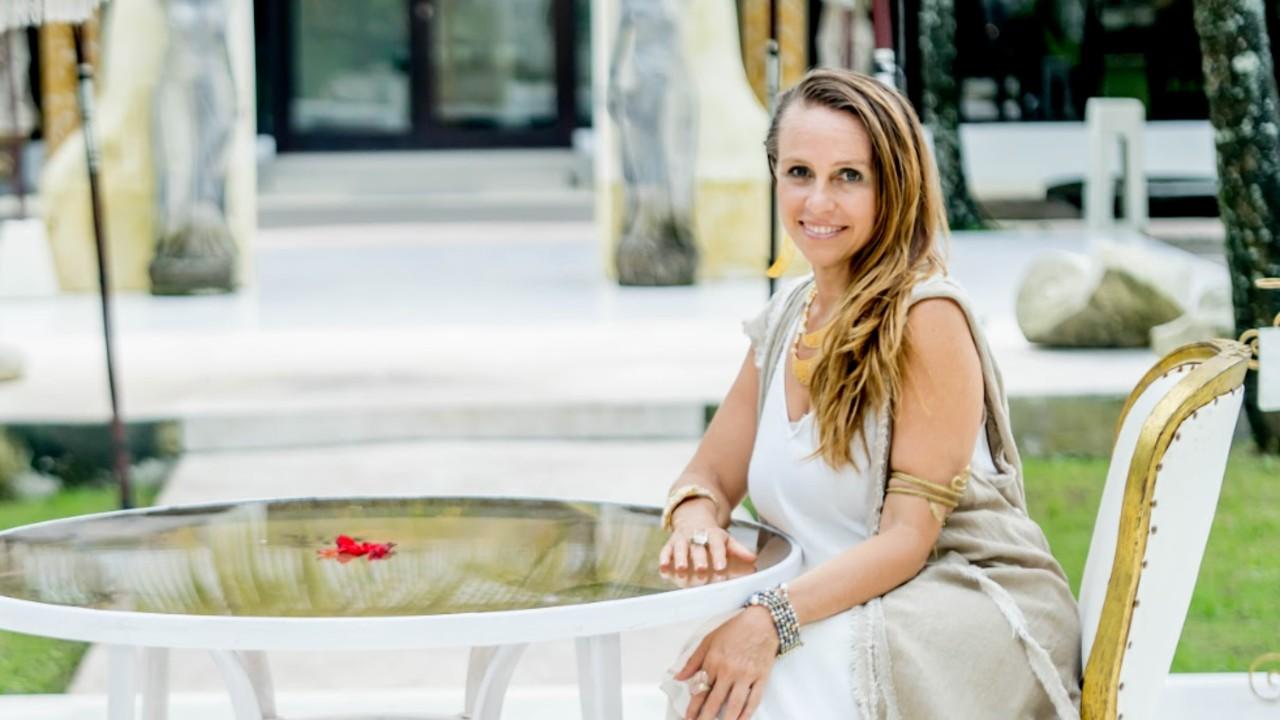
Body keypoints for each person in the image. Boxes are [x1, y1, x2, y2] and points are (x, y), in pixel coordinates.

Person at [657, 68, 1082, 720]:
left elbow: (908, 539)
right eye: (799, 173)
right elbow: (709, 475)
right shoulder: (787, 317)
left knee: (757, 695)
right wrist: (694, 520)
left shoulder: (927, 318)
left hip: (955, 606)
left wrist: (768, 618)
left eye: (849, 177)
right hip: (831, 607)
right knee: (712, 683)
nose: (818, 201)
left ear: (894, 186)